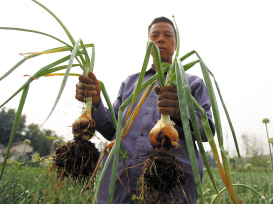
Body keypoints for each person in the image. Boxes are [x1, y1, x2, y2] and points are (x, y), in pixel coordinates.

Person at [76, 16, 215, 204]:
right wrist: (96, 102)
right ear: (148, 43)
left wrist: (179, 112)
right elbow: (112, 130)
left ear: (175, 44)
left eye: (167, 35)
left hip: (169, 186)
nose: (160, 39)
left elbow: (207, 132)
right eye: (154, 35)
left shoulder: (192, 84)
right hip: (119, 184)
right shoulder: (131, 83)